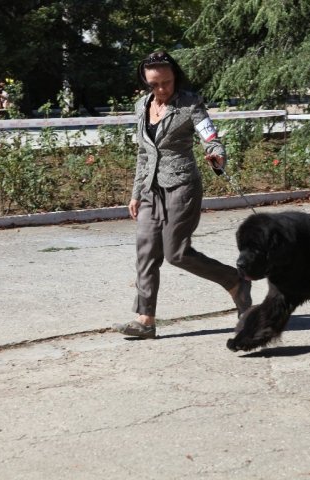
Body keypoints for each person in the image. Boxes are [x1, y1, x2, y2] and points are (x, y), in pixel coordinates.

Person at [112, 50, 252, 339]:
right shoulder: (141, 106)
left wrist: (216, 154)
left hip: (181, 187)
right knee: (146, 252)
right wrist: (136, 192)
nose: (162, 89)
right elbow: (143, 152)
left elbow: (210, 136)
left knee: (176, 253)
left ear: (175, 77)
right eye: (154, 84)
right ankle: (146, 320)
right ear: (145, 82)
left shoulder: (190, 104)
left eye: (166, 82)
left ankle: (235, 281)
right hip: (151, 189)